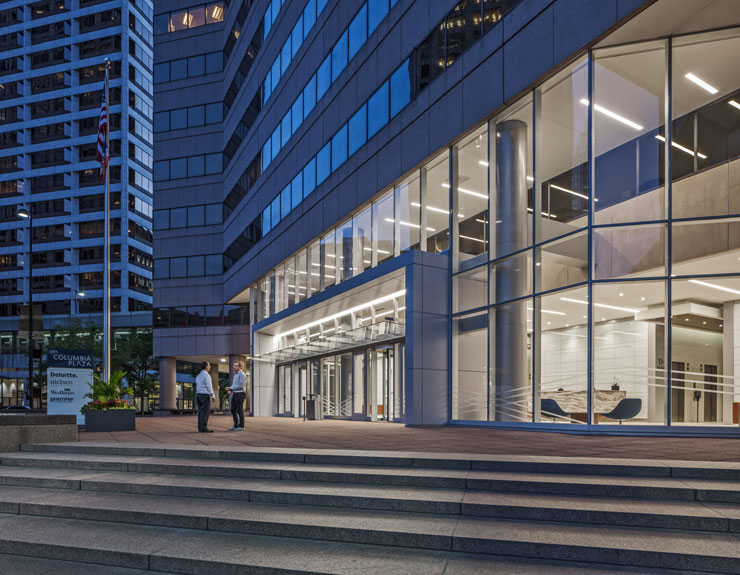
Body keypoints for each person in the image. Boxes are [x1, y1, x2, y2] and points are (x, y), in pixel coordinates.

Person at [195, 361, 215, 433]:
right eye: (209, 365)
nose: (210, 367)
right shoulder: (206, 375)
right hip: (204, 395)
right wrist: (212, 395)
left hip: (198, 395)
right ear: (206, 367)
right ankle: (204, 428)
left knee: (200, 412)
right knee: (205, 412)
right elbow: (209, 386)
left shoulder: (198, 375)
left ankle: (200, 428)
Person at [227, 360, 247, 431]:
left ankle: (241, 426)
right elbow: (234, 385)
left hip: (240, 394)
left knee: (240, 410)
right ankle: (236, 425)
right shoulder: (236, 374)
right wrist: (231, 389)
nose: (234, 367)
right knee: (233, 410)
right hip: (235, 393)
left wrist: (231, 388)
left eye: (236, 366)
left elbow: (241, 385)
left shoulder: (242, 374)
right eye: (234, 365)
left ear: (240, 367)